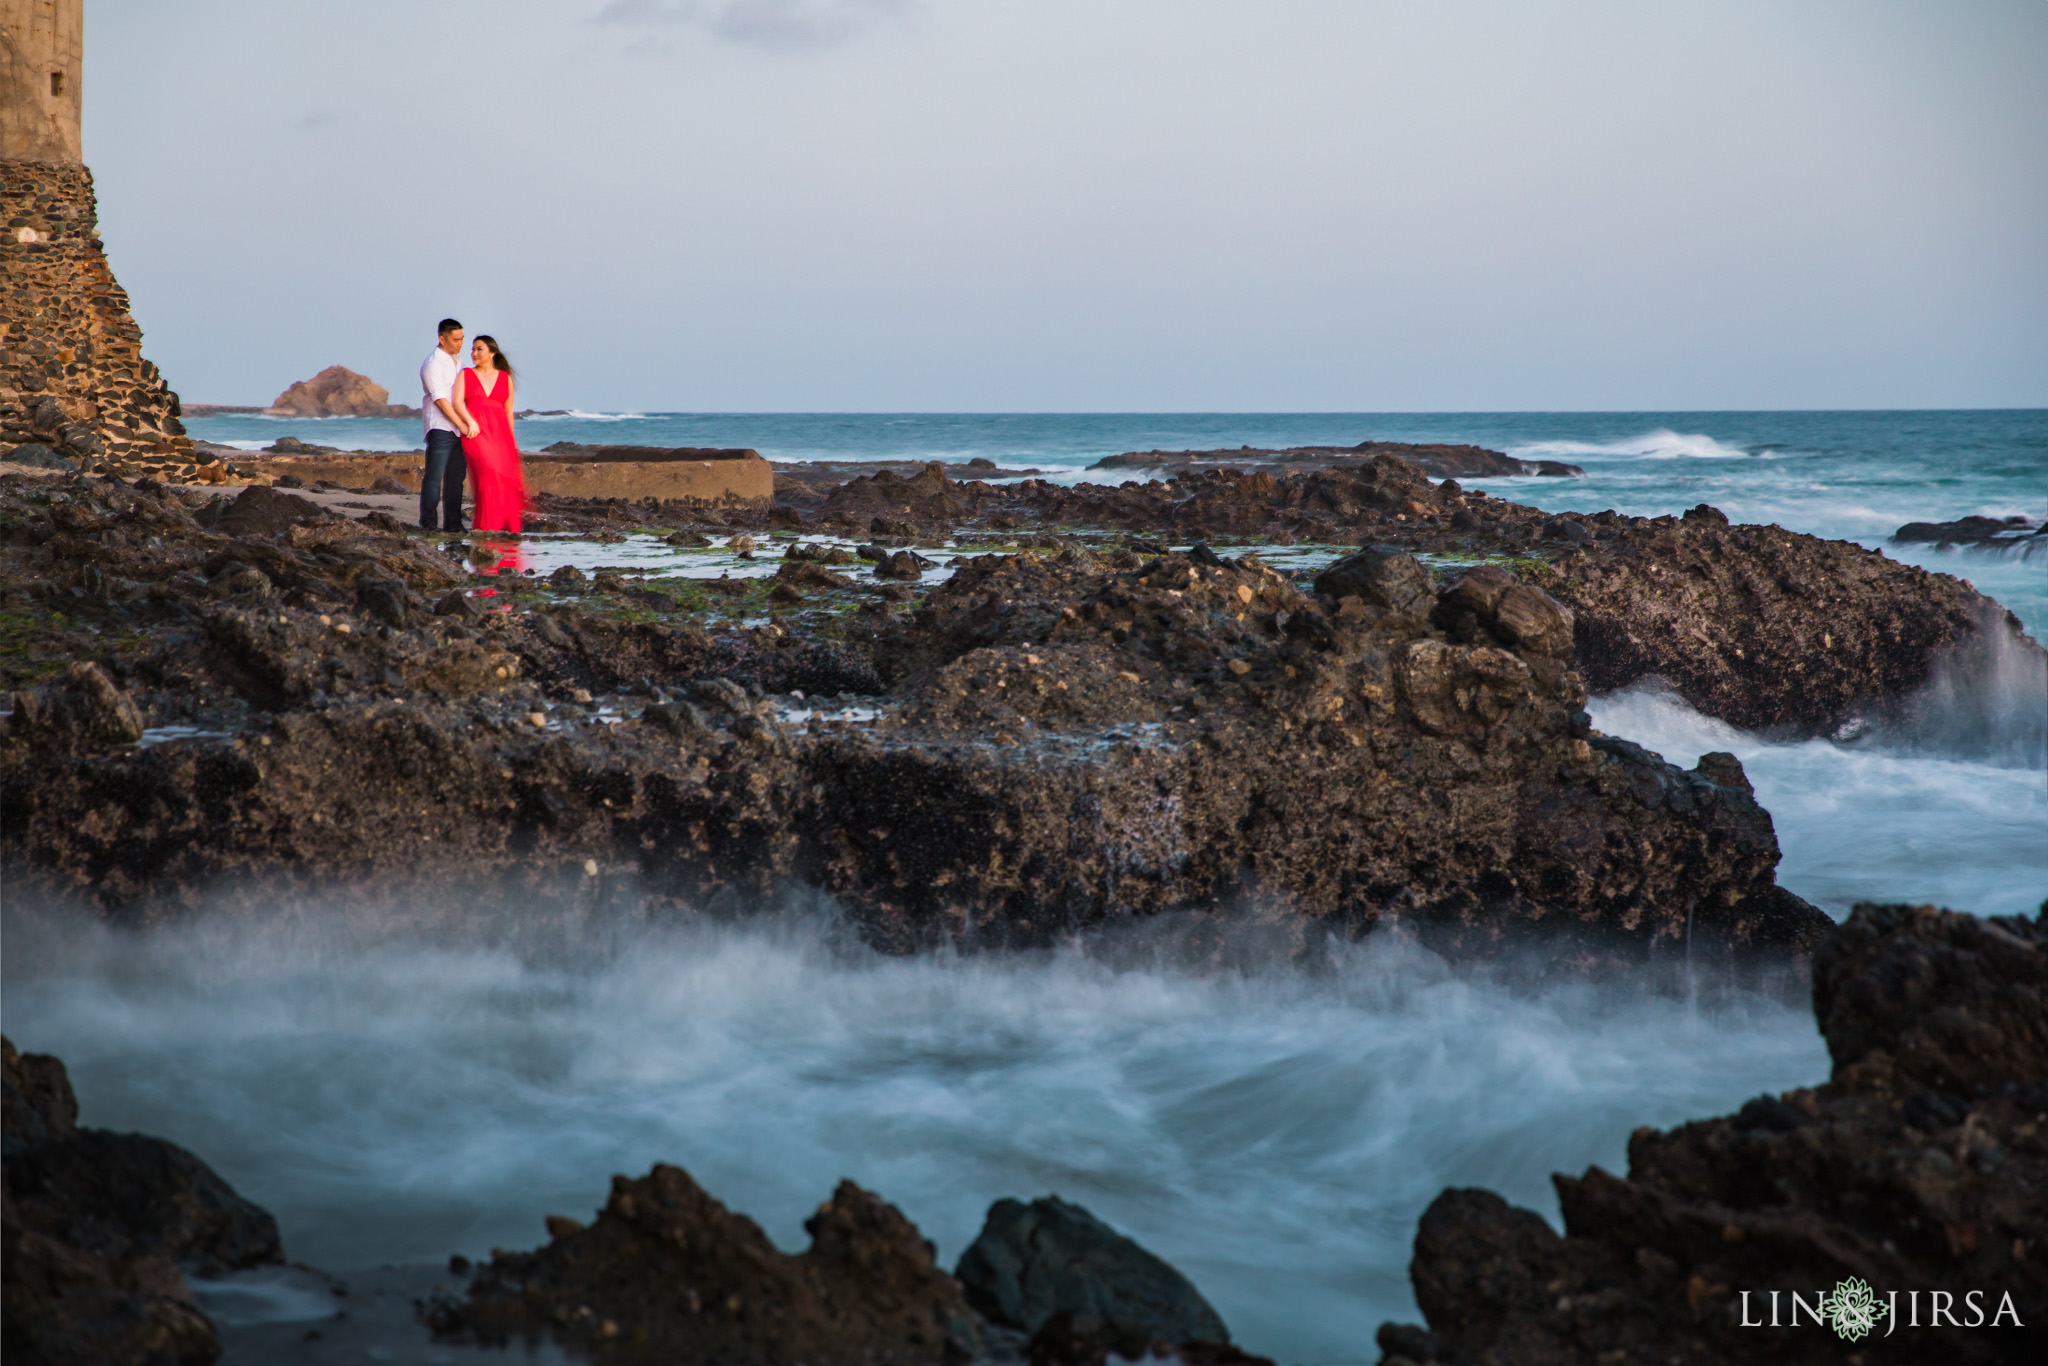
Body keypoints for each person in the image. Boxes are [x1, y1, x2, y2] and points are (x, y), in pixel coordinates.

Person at [448, 334, 526, 534]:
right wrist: (470, 421)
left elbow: (509, 411)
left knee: (502, 478)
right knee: (487, 474)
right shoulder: (465, 374)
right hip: (475, 434)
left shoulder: (504, 378)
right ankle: (487, 524)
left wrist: (510, 441)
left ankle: (503, 524)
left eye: (479, 349)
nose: (474, 353)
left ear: (492, 353)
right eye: (472, 349)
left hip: (501, 437)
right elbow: (457, 403)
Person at [418, 318, 468, 531]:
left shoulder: (457, 362)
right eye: (456, 339)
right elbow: (441, 401)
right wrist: (461, 425)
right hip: (440, 428)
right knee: (434, 476)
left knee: (456, 479)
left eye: (462, 338)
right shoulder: (432, 364)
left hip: (459, 429)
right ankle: (428, 524)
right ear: (442, 338)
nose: (460, 343)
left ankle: (453, 524)